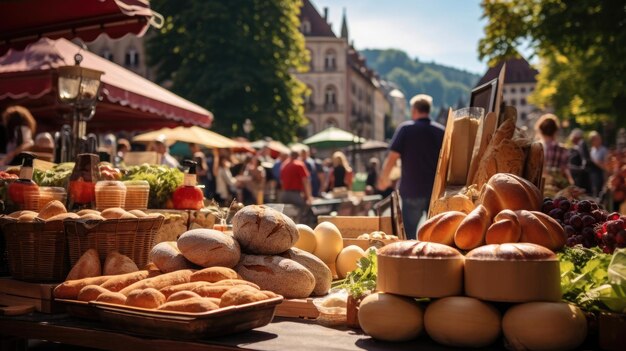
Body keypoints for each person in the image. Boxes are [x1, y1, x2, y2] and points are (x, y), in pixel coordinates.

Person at [377, 94, 444, 240]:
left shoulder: (406, 129)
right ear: (428, 110)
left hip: (412, 190)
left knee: (409, 235)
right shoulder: (441, 131)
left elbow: (392, 158)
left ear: (414, 110)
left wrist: (383, 179)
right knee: (437, 234)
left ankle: (412, 261)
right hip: (436, 190)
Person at [534, 114, 573, 197]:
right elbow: (565, 172)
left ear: (540, 130)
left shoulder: (535, 148)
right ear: (556, 131)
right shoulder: (563, 150)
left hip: (537, 191)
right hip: (557, 192)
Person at [568, 128, 593, 194]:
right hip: (578, 175)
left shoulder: (581, 143)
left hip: (581, 177)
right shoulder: (576, 146)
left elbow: (585, 159)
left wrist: (581, 169)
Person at [589, 131, 608, 197]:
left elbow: (606, 165)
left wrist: (596, 162)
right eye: (596, 139)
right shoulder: (592, 150)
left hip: (601, 176)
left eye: (599, 138)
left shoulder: (604, 150)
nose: (599, 140)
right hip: (593, 176)